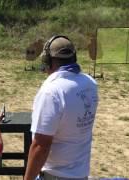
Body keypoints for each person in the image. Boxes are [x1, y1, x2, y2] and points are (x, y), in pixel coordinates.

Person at [24, 35, 99, 180]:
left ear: (47, 60)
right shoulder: (90, 84)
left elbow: (41, 145)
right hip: (80, 173)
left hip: (55, 175)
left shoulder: (52, 92)